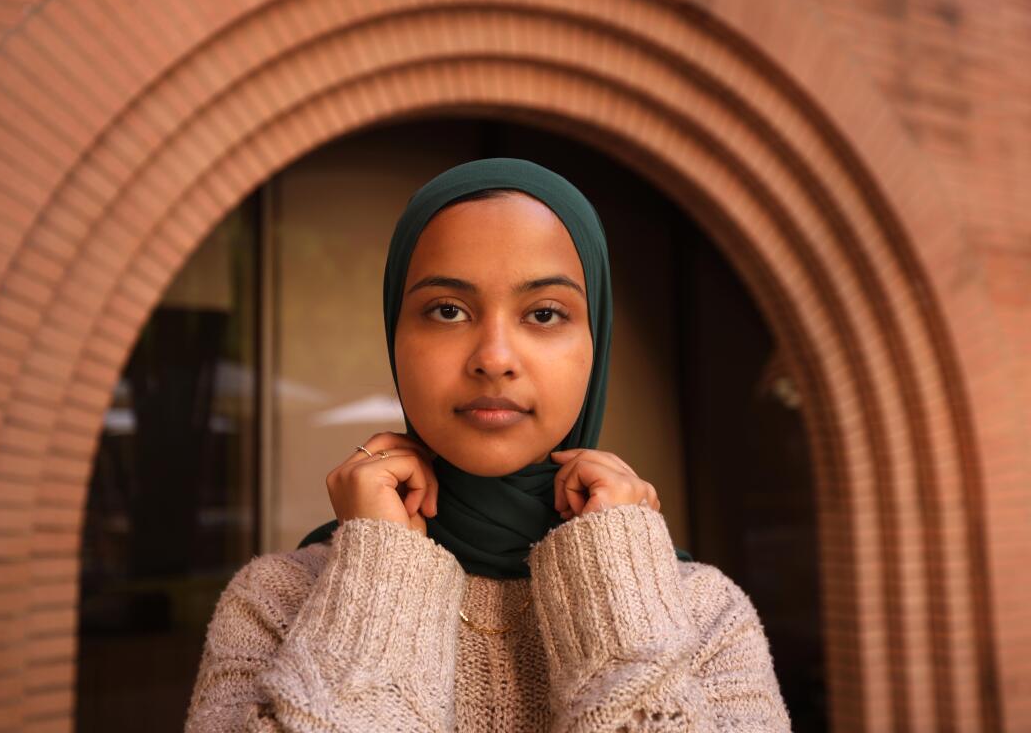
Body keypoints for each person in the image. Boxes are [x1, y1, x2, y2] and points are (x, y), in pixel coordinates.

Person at [184, 158, 792, 732]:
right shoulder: (274, 605)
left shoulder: (706, 617)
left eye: (545, 313)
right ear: (395, 337)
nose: (494, 359)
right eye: (447, 310)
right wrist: (380, 577)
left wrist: (614, 588)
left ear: (595, 343)